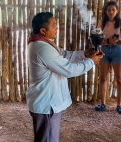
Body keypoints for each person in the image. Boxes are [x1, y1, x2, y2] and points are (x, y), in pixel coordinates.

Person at [26, 12, 104, 142]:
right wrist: (90, 61)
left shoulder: (43, 43)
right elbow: (68, 70)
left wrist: (84, 54)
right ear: (43, 30)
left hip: (47, 103)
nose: (57, 27)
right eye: (54, 25)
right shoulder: (42, 48)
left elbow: (63, 55)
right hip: (47, 104)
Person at [94, 1, 121, 115]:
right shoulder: (101, 23)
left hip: (118, 51)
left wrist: (115, 42)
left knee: (120, 79)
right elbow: (97, 40)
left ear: (117, 11)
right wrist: (108, 41)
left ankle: (119, 105)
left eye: (113, 9)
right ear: (105, 11)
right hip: (104, 50)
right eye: (109, 10)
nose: (111, 12)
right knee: (103, 78)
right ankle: (103, 103)